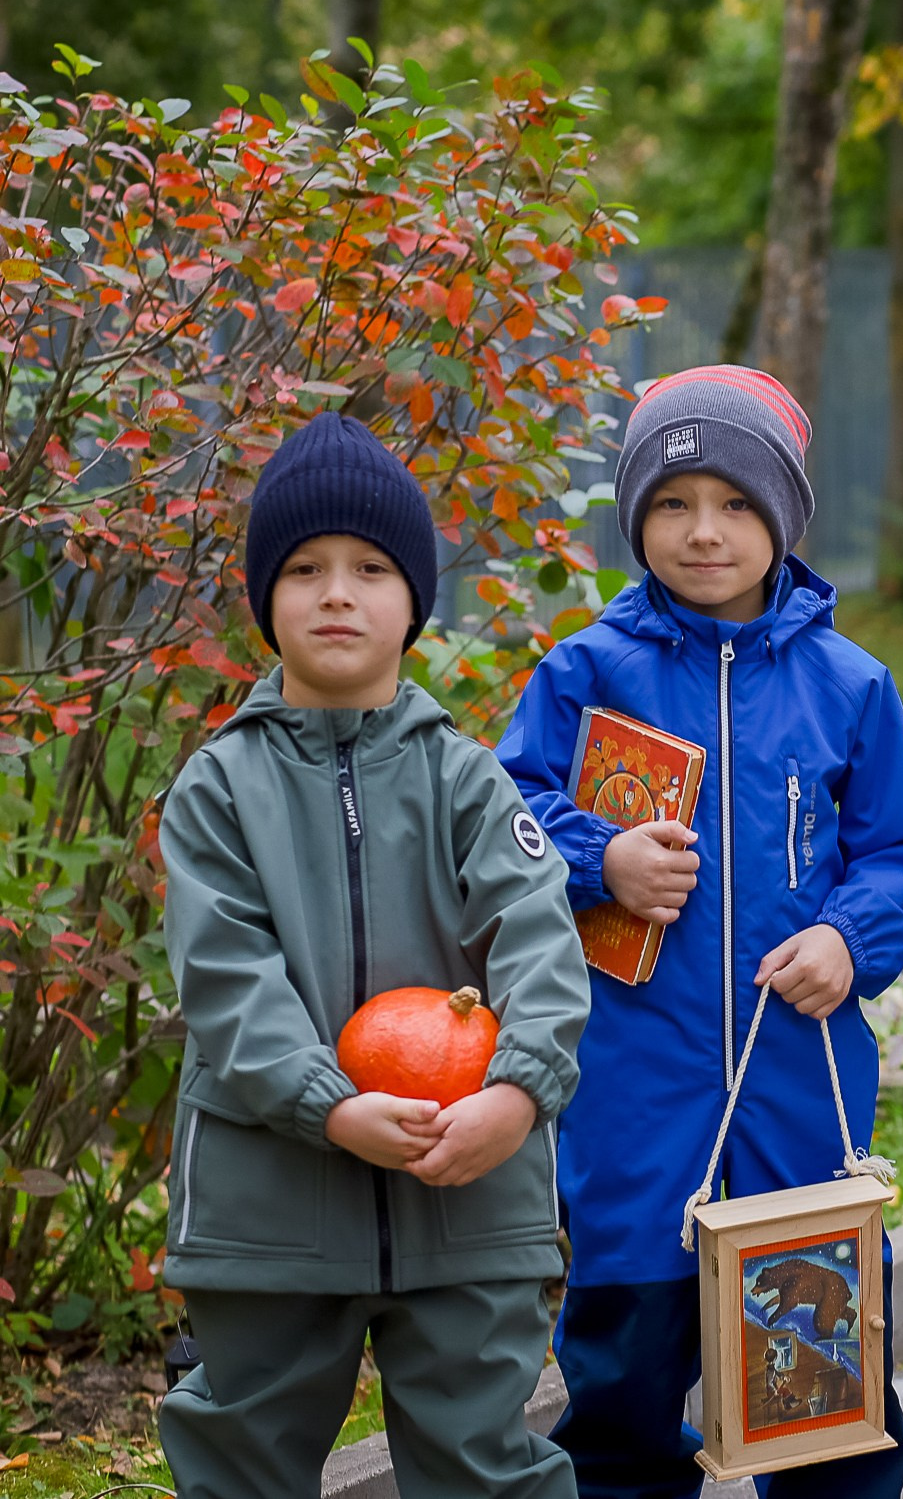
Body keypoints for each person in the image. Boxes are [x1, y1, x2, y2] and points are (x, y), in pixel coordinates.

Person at [496, 366, 903, 1499]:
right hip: (633, 1093)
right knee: (622, 1383)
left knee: (824, 1394)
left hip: (798, 1092)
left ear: (785, 518)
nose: (704, 532)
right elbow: (503, 819)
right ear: (636, 517)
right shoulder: (584, 672)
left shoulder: (851, 685)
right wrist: (601, 856)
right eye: (672, 503)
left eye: (737, 503)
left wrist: (851, 937)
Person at [157, 412, 590, 1499]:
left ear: (412, 603)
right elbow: (226, 977)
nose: (336, 592)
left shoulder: (467, 781)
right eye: (303, 568)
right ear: (267, 600)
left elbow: (538, 940)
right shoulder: (219, 788)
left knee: (487, 1465)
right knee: (241, 1457)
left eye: (369, 567)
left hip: (470, 1198)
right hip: (272, 1211)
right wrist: (328, 1102)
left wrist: (519, 1092)